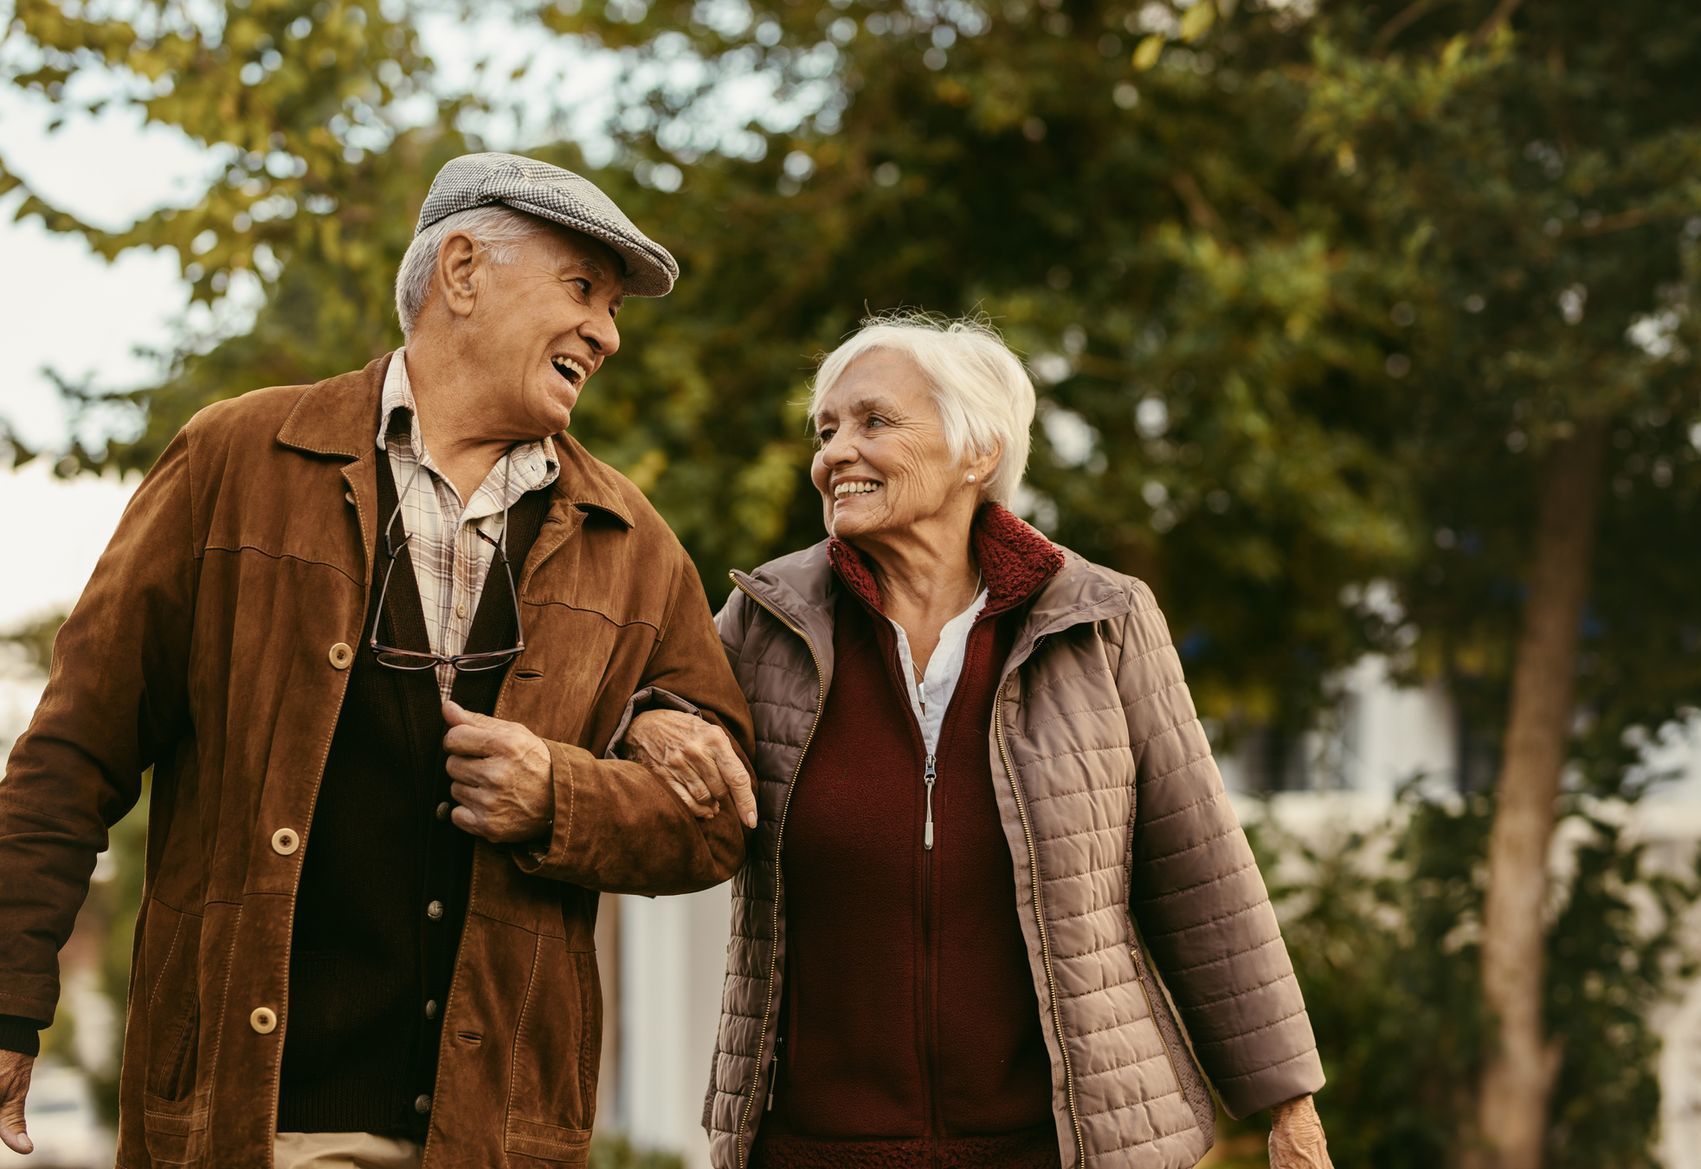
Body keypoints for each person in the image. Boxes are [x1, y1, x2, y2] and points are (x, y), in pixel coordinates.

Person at [0, 152, 758, 1169]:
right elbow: (72, 750)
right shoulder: (235, 459)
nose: (608, 334)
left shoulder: (636, 544)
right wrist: (7, 999)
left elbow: (718, 823)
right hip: (255, 1127)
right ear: (462, 271)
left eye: (614, 309)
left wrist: (560, 797)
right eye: (582, 288)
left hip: (494, 1143)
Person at [633, 313, 1334, 1169]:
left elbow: (1198, 871)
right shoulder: (767, 619)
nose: (835, 453)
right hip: (817, 1145)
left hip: (1057, 1145)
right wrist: (647, 719)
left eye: (873, 421)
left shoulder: (1100, 620)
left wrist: (1286, 1105)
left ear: (978, 452)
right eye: (825, 430)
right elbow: (657, 720)